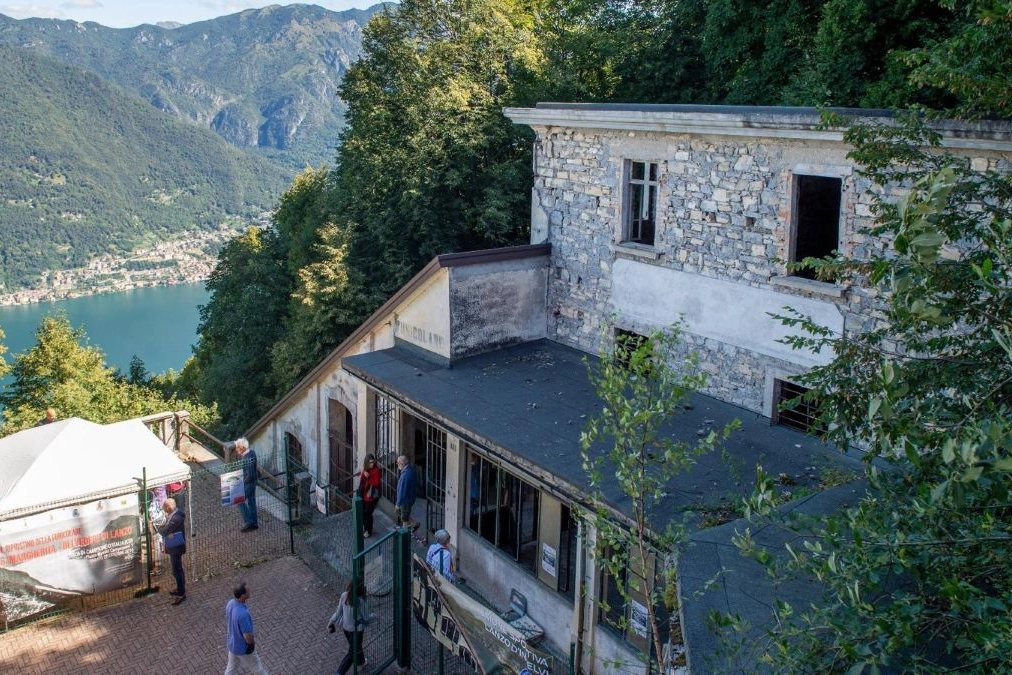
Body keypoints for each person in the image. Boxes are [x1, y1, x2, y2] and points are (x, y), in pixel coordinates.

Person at [328, 581, 373, 674]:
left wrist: (331, 622)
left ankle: (361, 662)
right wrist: (375, 616)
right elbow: (366, 618)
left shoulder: (344, 595)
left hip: (346, 628)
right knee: (352, 653)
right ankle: (339, 673)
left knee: (355, 647)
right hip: (357, 630)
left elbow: (338, 612)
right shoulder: (361, 601)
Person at [224, 581, 269, 675]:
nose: (250, 591)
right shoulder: (243, 614)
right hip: (243, 648)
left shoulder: (230, 603)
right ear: (242, 596)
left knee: (231, 668)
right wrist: (251, 645)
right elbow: (247, 636)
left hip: (233, 644)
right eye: (248, 591)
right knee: (257, 667)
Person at [158, 498, 186, 605]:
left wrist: (160, 529)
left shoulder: (176, 518)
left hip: (176, 547)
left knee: (177, 570)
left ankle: (181, 594)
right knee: (177, 570)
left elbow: (164, 531)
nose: (164, 510)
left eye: (165, 508)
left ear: (169, 508)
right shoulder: (176, 515)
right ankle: (180, 588)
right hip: (175, 546)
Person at [235, 438, 259, 532]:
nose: (236, 449)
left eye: (238, 447)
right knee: (251, 501)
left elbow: (249, 475)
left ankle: (249, 521)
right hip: (253, 481)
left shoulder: (247, 458)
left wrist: (240, 483)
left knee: (239, 500)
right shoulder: (251, 453)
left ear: (242, 448)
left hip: (249, 482)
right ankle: (254, 522)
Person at [357, 454, 381, 538]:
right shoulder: (365, 469)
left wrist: (368, 477)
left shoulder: (376, 470)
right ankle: (365, 527)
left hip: (372, 496)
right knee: (363, 512)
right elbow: (361, 481)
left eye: (373, 462)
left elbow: (377, 483)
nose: (372, 464)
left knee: (368, 514)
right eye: (370, 462)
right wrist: (363, 473)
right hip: (364, 495)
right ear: (367, 462)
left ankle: (368, 530)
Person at [395, 455, 417, 531]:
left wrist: (398, 504)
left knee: (404, 518)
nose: (396, 464)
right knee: (405, 515)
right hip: (410, 498)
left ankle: (404, 534)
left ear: (402, 464)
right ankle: (415, 524)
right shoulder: (410, 470)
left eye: (397, 463)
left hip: (406, 500)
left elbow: (402, 492)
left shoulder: (405, 475)